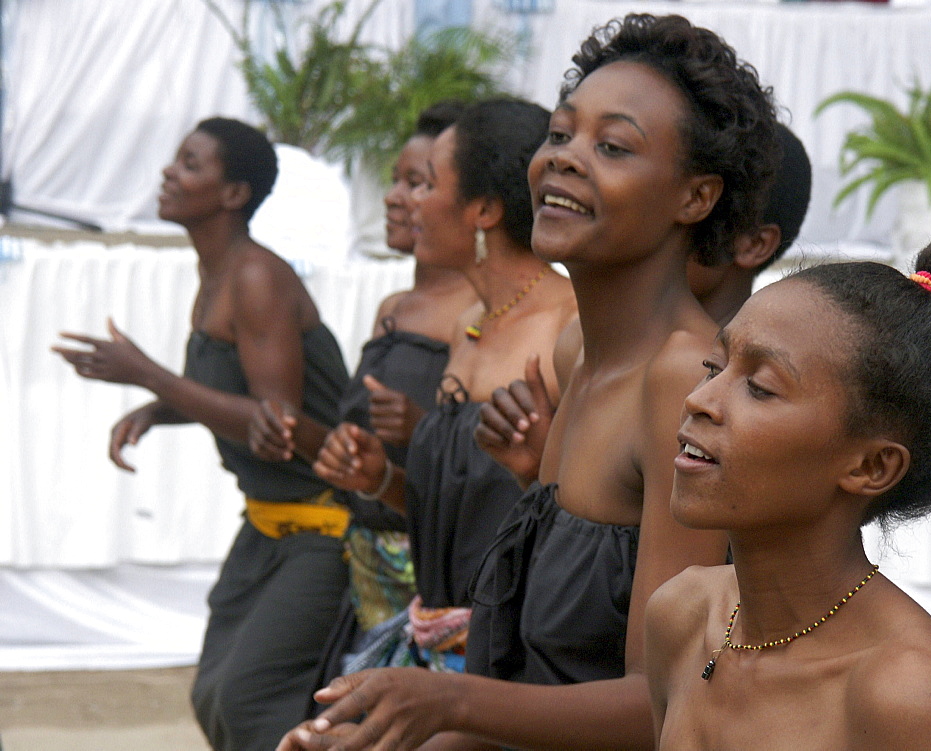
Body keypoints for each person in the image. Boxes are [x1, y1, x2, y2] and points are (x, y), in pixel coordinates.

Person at [280, 14, 779, 750]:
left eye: (612, 146)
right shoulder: (577, 351)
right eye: (560, 134)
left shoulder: (681, 380)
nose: (565, 159)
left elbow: (660, 702)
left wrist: (448, 701)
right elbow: (555, 658)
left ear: (696, 197)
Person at [51, 117, 351, 751]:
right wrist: (159, 410)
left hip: (323, 529)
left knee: (248, 700)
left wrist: (148, 374)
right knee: (212, 693)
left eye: (190, 163)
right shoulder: (218, 274)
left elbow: (279, 422)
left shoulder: (255, 276)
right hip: (268, 523)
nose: (168, 172)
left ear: (234, 193)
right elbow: (243, 396)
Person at [647, 229, 931, 749]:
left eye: (761, 388)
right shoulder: (681, 615)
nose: (701, 399)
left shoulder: (909, 696)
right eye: (713, 367)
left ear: (872, 467)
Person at [304, 97, 577, 676]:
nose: (410, 203)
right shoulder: (468, 326)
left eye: (427, 185)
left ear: (482, 210)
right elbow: (458, 510)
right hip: (436, 641)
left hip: (513, 655)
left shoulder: (566, 326)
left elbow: (581, 518)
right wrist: (379, 478)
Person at [249, 100, 478, 708]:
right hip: (364, 556)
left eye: (421, 183)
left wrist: (423, 427)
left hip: (423, 568)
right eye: (399, 181)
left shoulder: (480, 319)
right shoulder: (394, 307)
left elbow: (499, 460)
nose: (399, 198)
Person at [476, 122, 812, 487]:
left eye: (699, 211)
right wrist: (538, 473)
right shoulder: (586, 350)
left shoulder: (702, 387)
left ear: (751, 244)